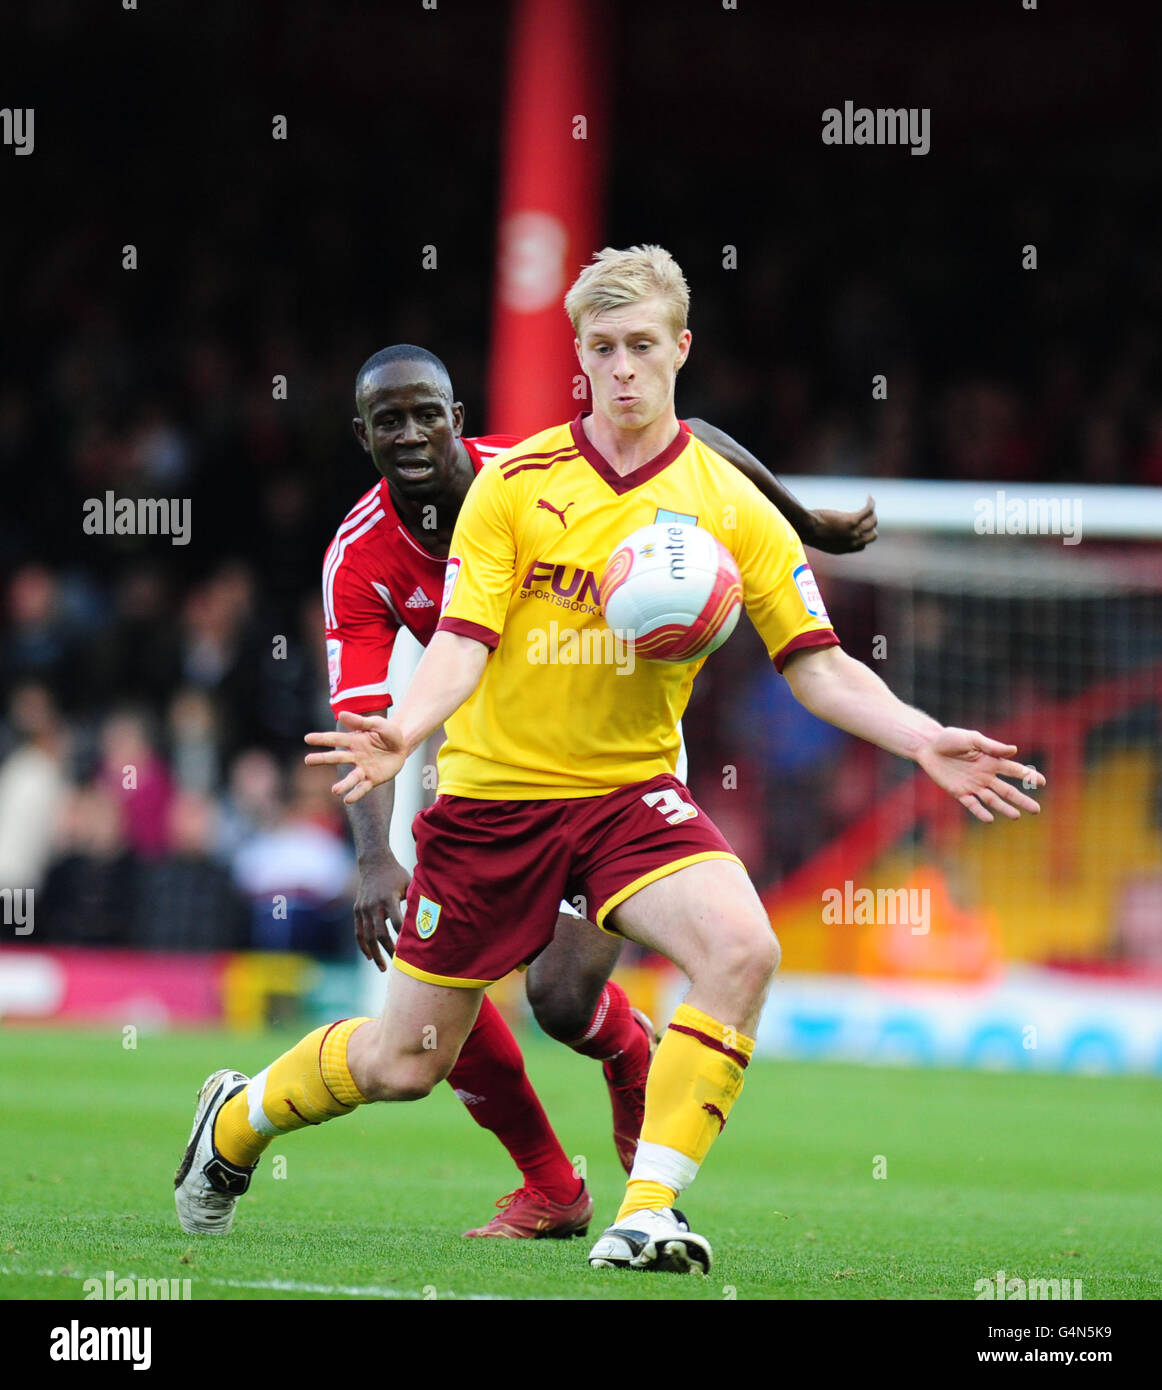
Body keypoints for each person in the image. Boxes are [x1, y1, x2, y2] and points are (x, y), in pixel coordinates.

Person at [177, 245, 1040, 1274]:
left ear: (680, 348)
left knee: (739, 949)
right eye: (600, 350)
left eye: (641, 345)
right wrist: (404, 731)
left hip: (633, 794)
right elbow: (460, 643)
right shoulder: (513, 487)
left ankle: (648, 1208)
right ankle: (236, 1119)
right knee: (400, 1063)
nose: (622, 368)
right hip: (493, 802)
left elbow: (817, 666)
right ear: (577, 360)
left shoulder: (726, 502)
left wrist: (919, 735)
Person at [315, 343, 876, 1239]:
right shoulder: (359, 558)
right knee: (440, 997)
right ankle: (551, 1185)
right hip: (484, 768)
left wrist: (802, 521)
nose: (413, 433)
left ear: (459, 418)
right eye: (390, 420)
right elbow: (361, 715)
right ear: (363, 436)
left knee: (563, 999)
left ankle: (629, 1068)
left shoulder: (531, 473)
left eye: (429, 412)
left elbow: (695, 441)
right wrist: (375, 856)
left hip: (613, 767)